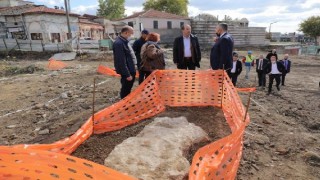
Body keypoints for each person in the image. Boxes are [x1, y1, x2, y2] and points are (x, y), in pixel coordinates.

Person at [113, 26, 136, 99]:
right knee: (125, 89)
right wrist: (127, 74)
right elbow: (121, 61)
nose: (131, 36)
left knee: (127, 88)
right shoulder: (119, 43)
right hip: (127, 71)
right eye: (131, 34)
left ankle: (126, 102)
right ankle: (124, 104)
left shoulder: (124, 42)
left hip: (130, 69)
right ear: (126, 33)